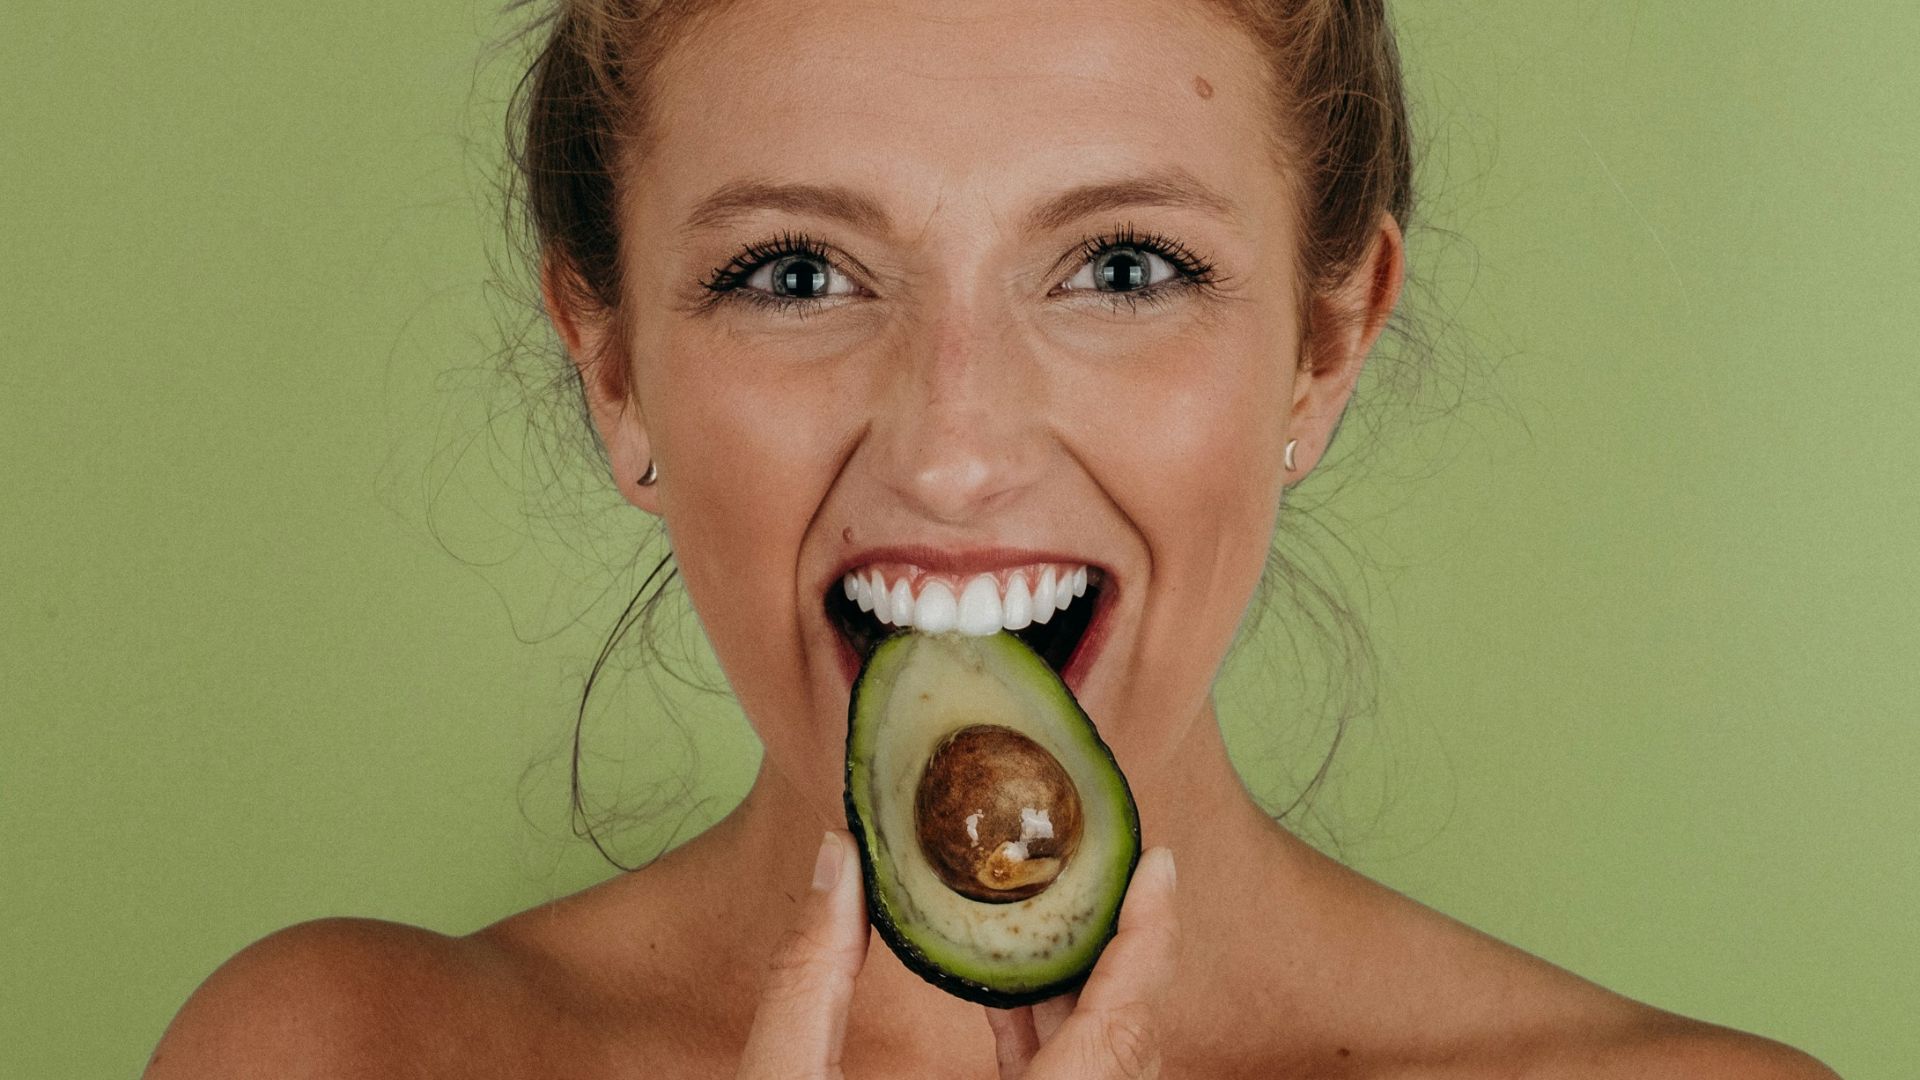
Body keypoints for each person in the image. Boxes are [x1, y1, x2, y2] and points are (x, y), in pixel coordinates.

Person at [144, 1, 1841, 1076]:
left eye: (1122, 267)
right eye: (796, 273)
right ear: (615, 369)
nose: (953, 453)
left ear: (1328, 343)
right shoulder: (337, 1056)